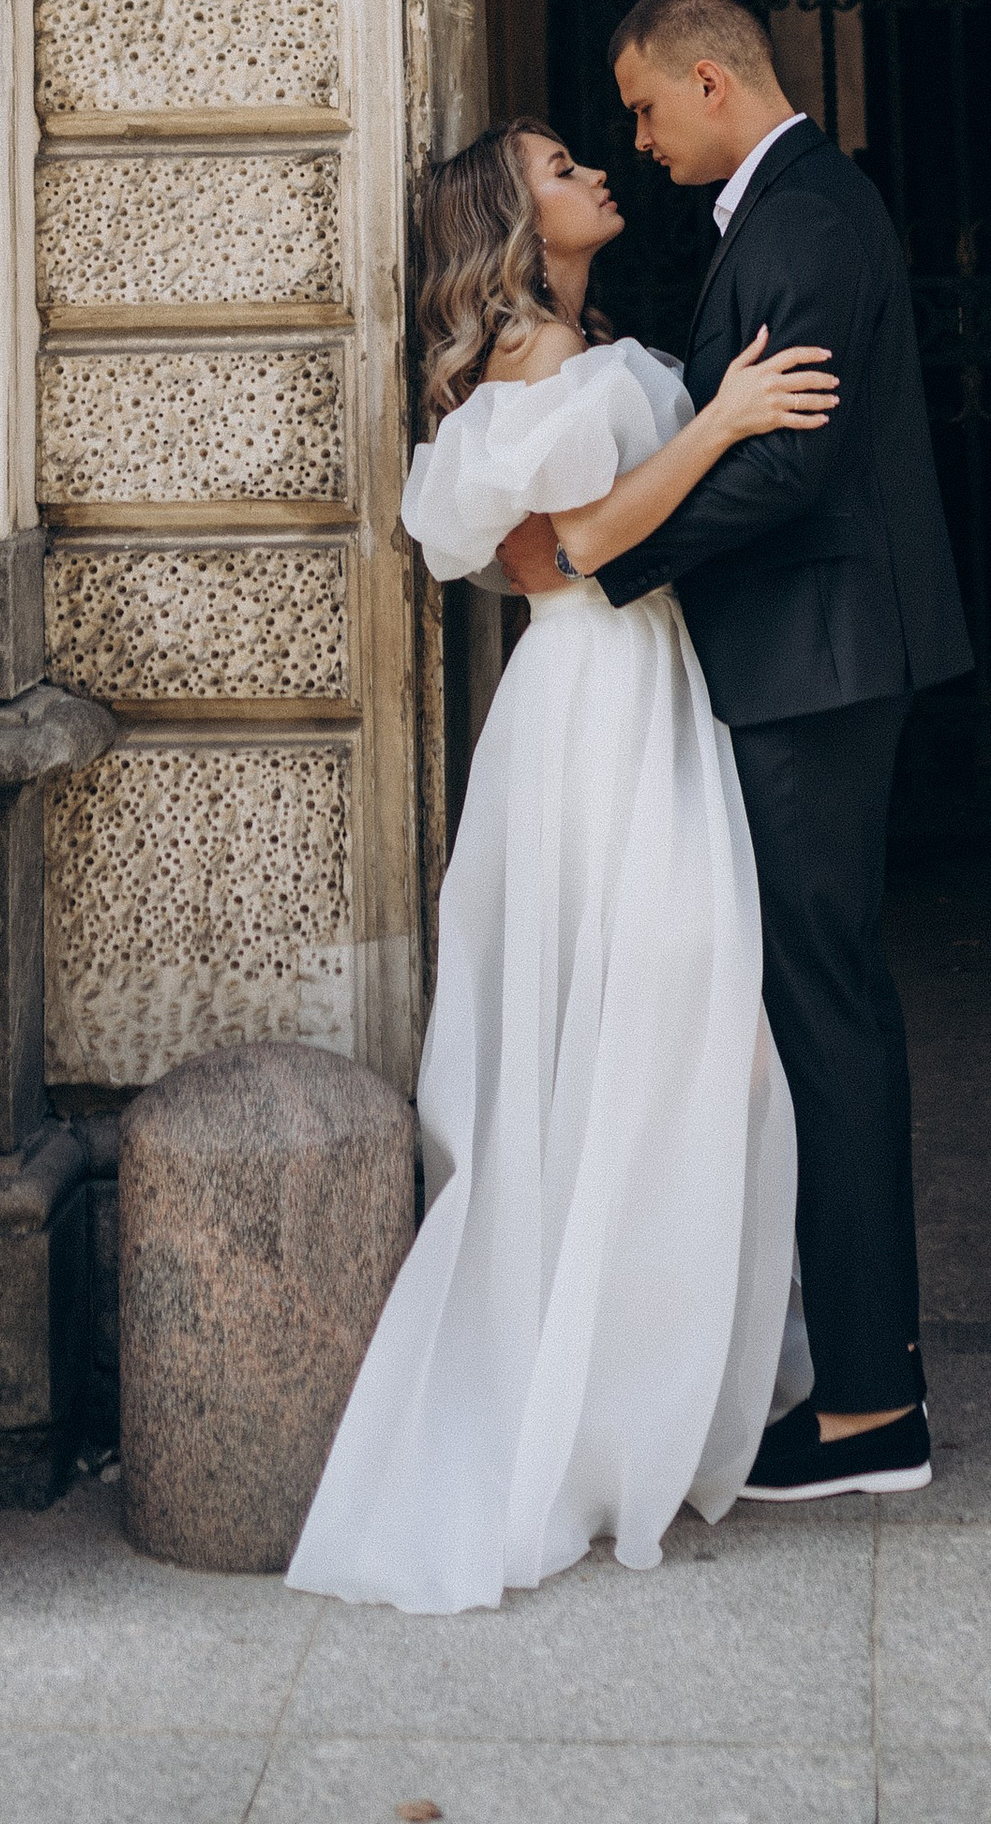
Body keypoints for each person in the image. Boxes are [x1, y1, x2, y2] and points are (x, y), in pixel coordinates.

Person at [286, 119, 840, 1614]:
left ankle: (642, 1386)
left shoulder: (608, 355)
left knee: (693, 1039)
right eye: (556, 163)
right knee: (635, 1023)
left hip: (665, 708)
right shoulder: (520, 386)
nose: (597, 166)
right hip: (590, 721)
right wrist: (720, 425)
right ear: (507, 220)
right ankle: (579, 1413)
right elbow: (566, 553)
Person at [498, 0, 975, 1500]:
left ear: (714, 82)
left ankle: (865, 1419)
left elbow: (786, 467)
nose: (632, 138)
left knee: (822, 1009)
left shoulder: (805, 222)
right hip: (810, 660)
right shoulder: (778, 218)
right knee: (816, 1006)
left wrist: (601, 565)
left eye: (642, 108)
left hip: (819, 664)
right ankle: (857, 1379)